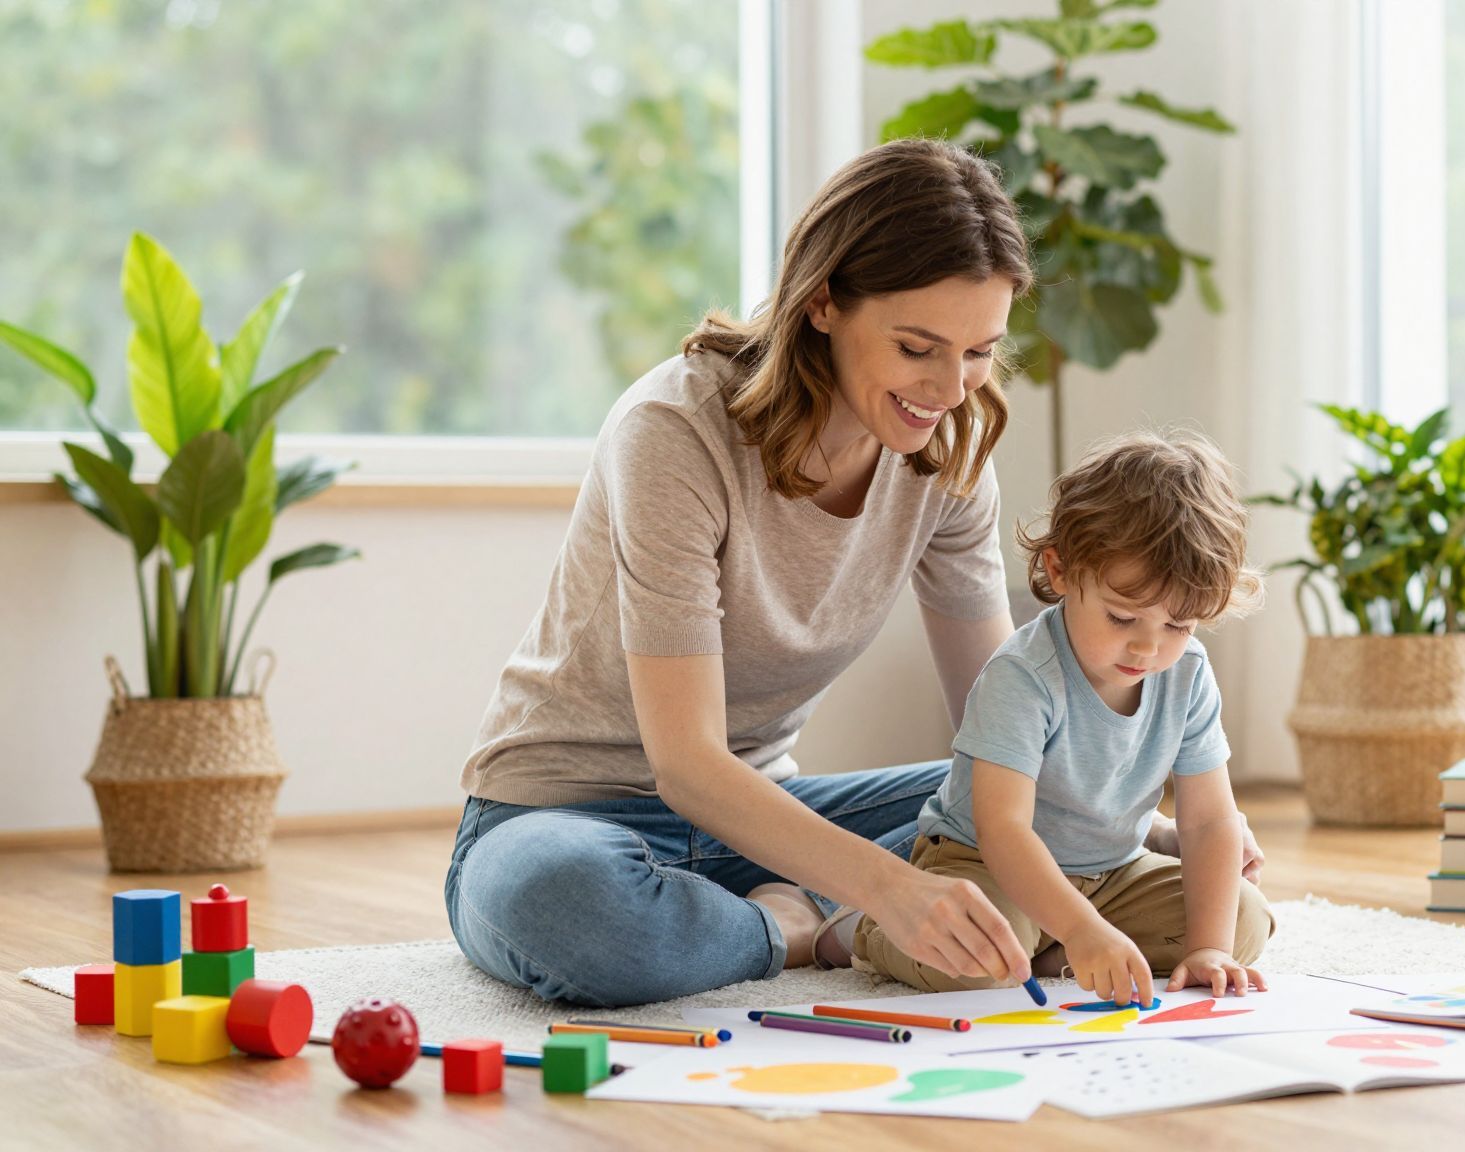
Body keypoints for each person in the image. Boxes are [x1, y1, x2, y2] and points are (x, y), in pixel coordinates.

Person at [441, 139, 1262, 1007]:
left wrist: (1144, 829)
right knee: (574, 915)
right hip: (566, 814)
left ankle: (771, 902)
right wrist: (887, 890)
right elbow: (685, 765)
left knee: (995, 818)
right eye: (918, 348)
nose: (950, 387)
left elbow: (1009, 712)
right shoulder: (675, 433)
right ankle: (793, 928)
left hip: (772, 816)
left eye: (979, 352)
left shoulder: (946, 456)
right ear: (824, 301)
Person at [836, 430, 1273, 1005]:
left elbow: (1210, 821)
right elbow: (1004, 831)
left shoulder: (1187, 672)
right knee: (974, 965)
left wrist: (1209, 948)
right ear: (1061, 571)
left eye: (1178, 626)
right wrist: (1084, 929)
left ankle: (1052, 952)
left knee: (1243, 918)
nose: (1148, 649)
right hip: (987, 864)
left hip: (1113, 873)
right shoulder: (1023, 675)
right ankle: (860, 930)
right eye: (1122, 618)